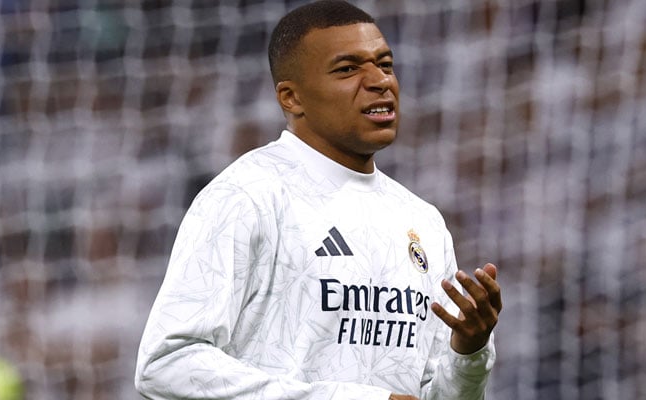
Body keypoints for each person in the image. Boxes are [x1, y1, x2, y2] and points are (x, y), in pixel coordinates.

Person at [134, 1, 502, 399]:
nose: (379, 80)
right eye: (348, 69)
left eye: (385, 64)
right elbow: (166, 365)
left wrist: (469, 352)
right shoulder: (247, 195)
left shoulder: (422, 221)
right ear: (291, 98)